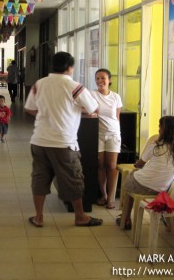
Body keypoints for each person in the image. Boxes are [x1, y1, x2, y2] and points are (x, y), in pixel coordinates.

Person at [24, 52, 103, 227]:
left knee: (39, 179)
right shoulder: (74, 86)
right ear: (69, 67)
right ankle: (80, 217)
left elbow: (30, 108)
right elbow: (92, 108)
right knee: (73, 179)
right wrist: (72, 111)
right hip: (63, 143)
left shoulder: (39, 84)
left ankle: (38, 217)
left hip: (39, 141)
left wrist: (49, 113)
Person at [117, 115, 174, 229]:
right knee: (134, 178)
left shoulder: (155, 146)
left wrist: (137, 167)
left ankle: (125, 217)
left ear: (164, 130)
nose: (158, 130)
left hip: (143, 185)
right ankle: (126, 217)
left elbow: (140, 164)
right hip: (162, 189)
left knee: (130, 177)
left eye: (160, 127)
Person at [91, 68, 123, 210]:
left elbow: (117, 117)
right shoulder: (92, 95)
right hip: (98, 134)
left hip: (113, 134)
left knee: (111, 166)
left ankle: (111, 197)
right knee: (100, 165)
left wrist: (117, 133)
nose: (100, 81)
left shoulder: (116, 97)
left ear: (109, 80)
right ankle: (103, 195)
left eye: (103, 78)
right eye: (97, 78)